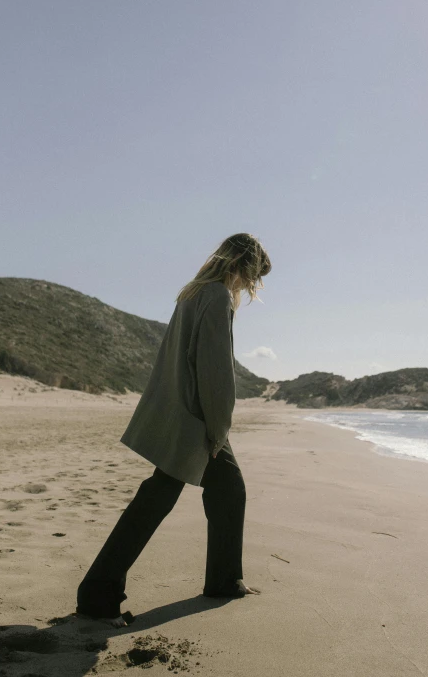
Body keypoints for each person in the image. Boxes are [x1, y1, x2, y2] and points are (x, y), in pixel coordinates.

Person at [76, 232, 272, 627]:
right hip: (195, 419)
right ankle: (98, 595)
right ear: (239, 268)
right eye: (250, 279)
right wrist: (218, 431)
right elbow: (216, 374)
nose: (247, 288)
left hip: (178, 411)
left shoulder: (192, 292)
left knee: (208, 491)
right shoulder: (216, 296)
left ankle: (221, 580)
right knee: (172, 496)